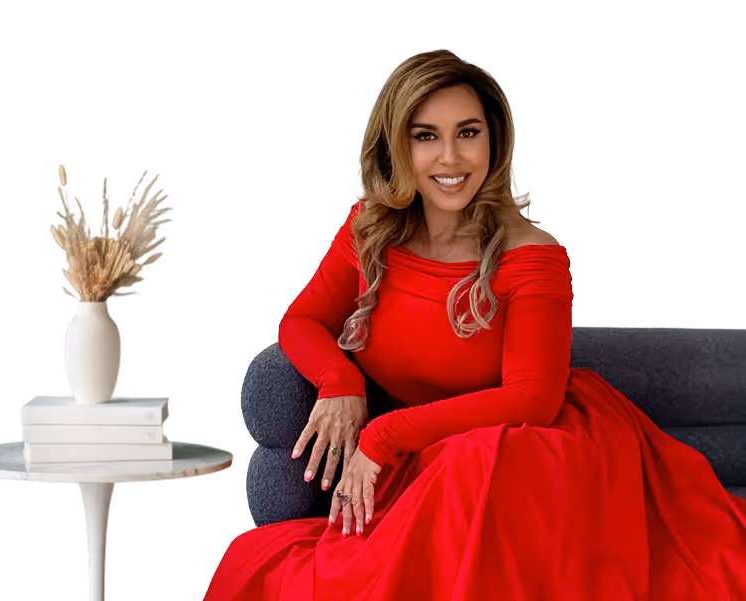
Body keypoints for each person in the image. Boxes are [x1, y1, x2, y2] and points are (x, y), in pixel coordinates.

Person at [204, 48, 746, 600]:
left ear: (494, 142)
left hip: (531, 446)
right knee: (272, 565)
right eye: (425, 136)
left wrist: (384, 433)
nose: (450, 157)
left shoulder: (533, 254)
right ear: (397, 142)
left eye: (467, 132)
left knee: (472, 465)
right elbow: (300, 320)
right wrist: (339, 381)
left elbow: (533, 399)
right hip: (434, 460)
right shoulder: (369, 228)